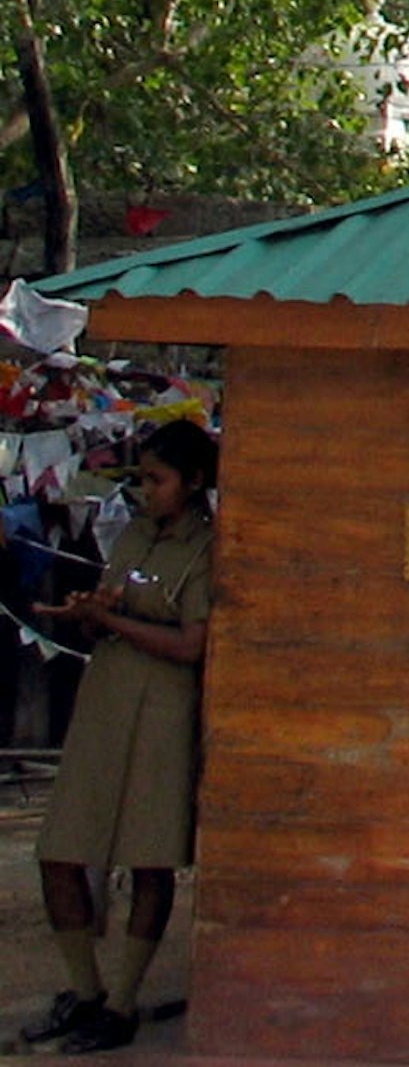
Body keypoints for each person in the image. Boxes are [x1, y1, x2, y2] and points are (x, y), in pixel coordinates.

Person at [24, 421, 217, 1054]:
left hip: (162, 712)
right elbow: (115, 608)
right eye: (141, 480)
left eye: (158, 480)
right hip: (106, 701)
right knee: (61, 849)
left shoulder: (206, 549)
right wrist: (88, 614)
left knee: (150, 857)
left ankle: (123, 1000)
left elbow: (192, 645)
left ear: (192, 483)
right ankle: (83, 991)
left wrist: (113, 618)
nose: (146, 492)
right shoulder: (134, 533)